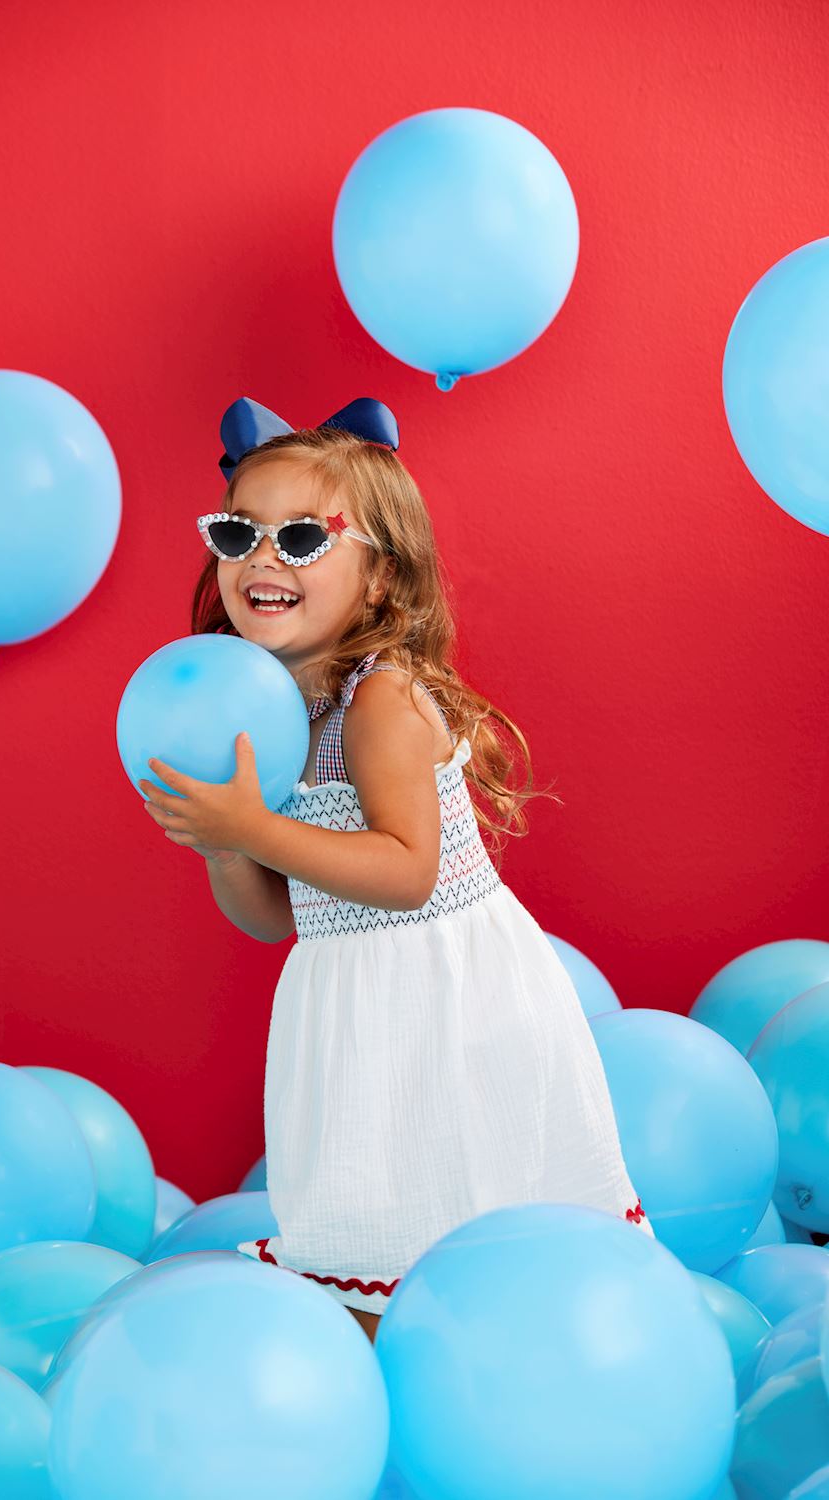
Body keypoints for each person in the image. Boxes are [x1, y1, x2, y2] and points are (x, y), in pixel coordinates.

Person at [139, 396, 654, 1346]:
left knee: (469, 1214)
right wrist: (224, 843)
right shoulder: (266, 710)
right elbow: (276, 918)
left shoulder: (379, 700)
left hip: (443, 998)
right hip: (346, 1007)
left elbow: (407, 870)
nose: (260, 559)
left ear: (379, 582)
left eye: (299, 537)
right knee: (368, 1226)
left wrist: (254, 819)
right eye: (237, 532)